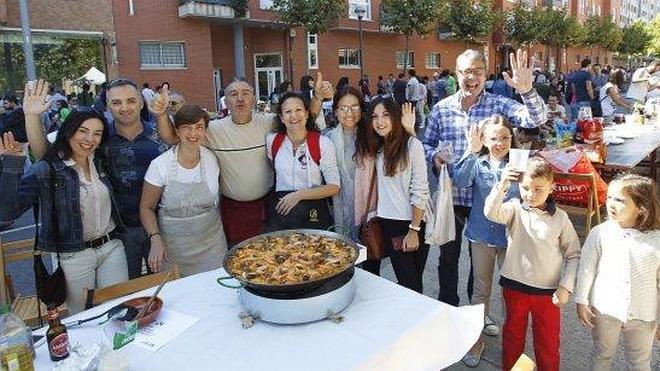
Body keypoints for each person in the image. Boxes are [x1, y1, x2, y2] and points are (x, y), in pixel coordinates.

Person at [422, 48, 546, 307]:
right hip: (453, 196)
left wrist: (526, 90)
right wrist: (434, 155)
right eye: (466, 71)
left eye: (477, 71)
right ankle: (448, 306)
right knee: (448, 257)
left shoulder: (498, 104)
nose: (471, 77)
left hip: (486, 197)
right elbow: (426, 143)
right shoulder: (442, 109)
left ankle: (475, 312)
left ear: (485, 74)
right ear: (457, 74)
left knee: (479, 260)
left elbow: (537, 118)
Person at [154, 74, 333, 245]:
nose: (240, 98)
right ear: (226, 100)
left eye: (246, 93)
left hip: (268, 206)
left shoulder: (268, 123)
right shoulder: (213, 130)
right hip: (233, 211)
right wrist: (161, 114)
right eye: (233, 94)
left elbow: (300, 122)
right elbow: (171, 138)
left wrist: (317, 98)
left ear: (254, 99)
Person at [25, 78, 167, 279]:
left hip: (162, 228)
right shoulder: (98, 137)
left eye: (131, 101)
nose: (124, 107)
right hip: (119, 233)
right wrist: (31, 116)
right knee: (126, 297)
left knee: (166, 287)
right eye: (116, 102)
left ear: (141, 102)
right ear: (108, 105)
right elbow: (46, 157)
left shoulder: (161, 135)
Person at [0, 106, 129, 314]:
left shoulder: (101, 160)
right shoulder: (47, 168)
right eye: (83, 131)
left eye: (97, 133)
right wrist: (11, 164)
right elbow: (7, 212)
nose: (90, 139)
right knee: (83, 316)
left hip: (111, 247)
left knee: (119, 310)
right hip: (74, 255)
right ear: (69, 131)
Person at [484, 157, 580, 371]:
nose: (530, 194)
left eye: (538, 189)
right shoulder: (514, 208)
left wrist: (566, 285)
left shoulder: (561, 218)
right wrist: (502, 185)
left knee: (547, 343)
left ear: (551, 188)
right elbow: (490, 212)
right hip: (514, 286)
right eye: (526, 188)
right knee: (512, 338)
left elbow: (574, 254)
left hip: (548, 293)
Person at [326, 86, 416, 276]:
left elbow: (403, 153)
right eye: (343, 108)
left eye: (355, 107)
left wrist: (409, 130)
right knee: (341, 264)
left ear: (362, 108)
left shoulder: (373, 135)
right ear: (335, 111)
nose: (349, 113)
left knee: (370, 268)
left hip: (371, 214)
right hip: (341, 211)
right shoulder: (328, 139)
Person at [574, 174, 660, 371]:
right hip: (606, 309)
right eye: (610, 197)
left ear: (641, 207)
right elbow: (587, 268)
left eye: (619, 200)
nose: (611, 203)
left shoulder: (656, 240)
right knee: (602, 355)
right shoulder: (600, 233)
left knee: (639, 362)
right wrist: (581, 300)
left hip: (644, 314)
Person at [453, 116, 519, 367]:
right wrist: (471, 150)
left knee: (510, 292)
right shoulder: (478, 163)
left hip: (510, 237)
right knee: (481, 290)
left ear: (512, 138)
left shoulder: (519, 164)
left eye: (504, 137)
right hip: (480, 236)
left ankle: (512, 347)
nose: (499, 143)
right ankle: (476, 341)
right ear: (484, 140)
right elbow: (460, 180)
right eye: (493, 138)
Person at [140, 105, 227, 278]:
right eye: (187, 128)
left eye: (199, 128)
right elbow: (146, 208)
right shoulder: (160, 165)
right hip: (173, 252)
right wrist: (155, 238)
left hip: (212, 249)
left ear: (205, 131)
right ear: (177, 132)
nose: (193, 134)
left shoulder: (211, 158)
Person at [364, 97, 429, 293]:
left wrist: (414, 230)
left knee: (412, 283)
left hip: (412, 222)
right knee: (409, 283)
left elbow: (420, 190)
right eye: (375, 116)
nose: (379, 121)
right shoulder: (379, 149)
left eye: (385, 115)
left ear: (395, 117)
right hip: (389, 224)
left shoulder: (412, 146)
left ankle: (418, 321)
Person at [265, 92, 340, 231]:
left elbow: (334, 187)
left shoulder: (322, 142)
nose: (293, 116)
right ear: (281, 117)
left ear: (306, 113)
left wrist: (299, 195)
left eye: (298, 110)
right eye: (288, 112)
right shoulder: (272, 141)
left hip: (314, 210)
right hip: (282, 211)